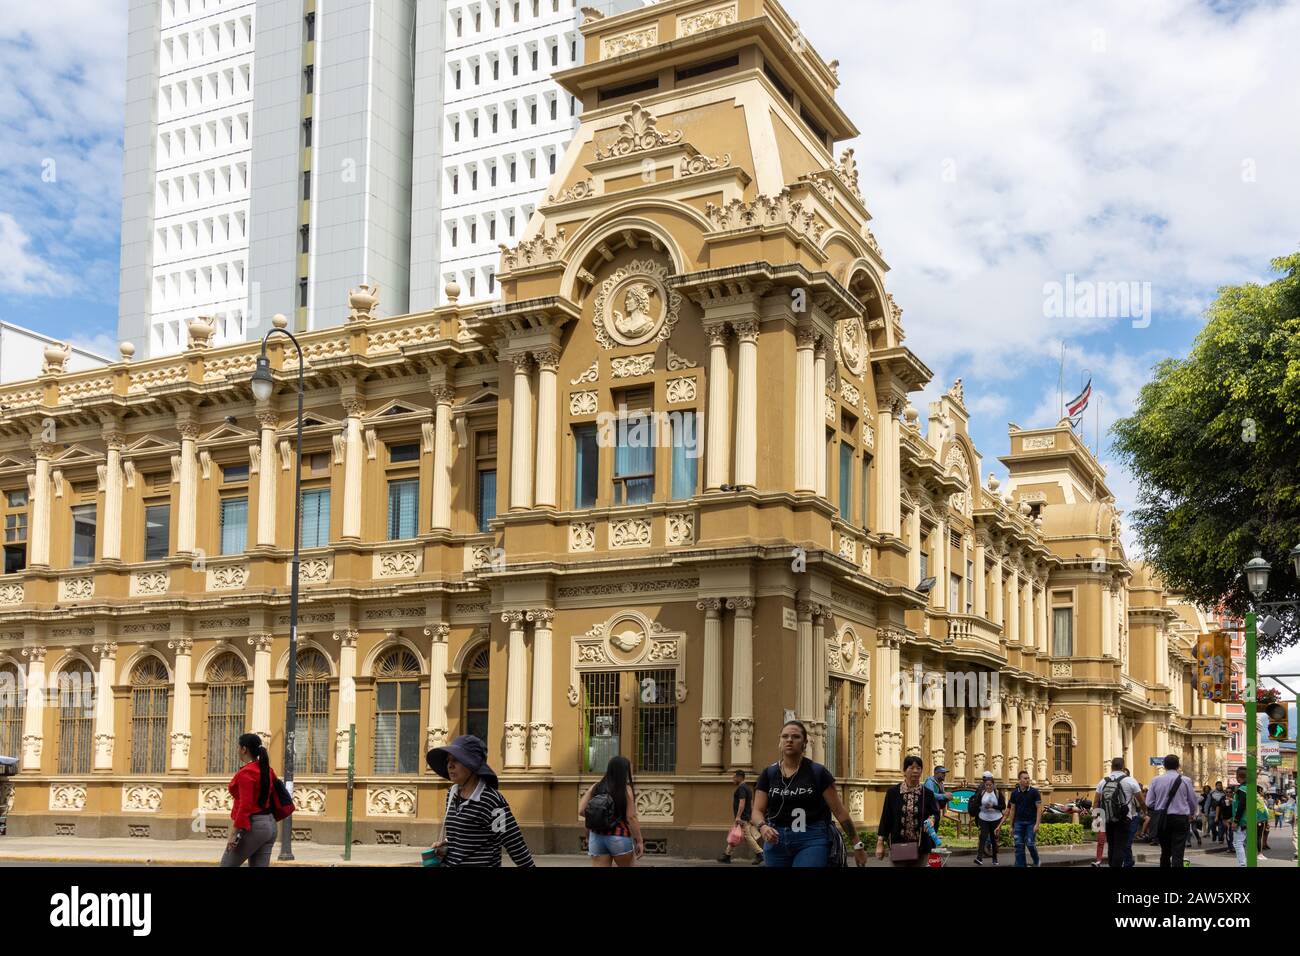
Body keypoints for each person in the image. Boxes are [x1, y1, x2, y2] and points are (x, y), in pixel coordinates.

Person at [752, 720, 866, 867]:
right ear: (779, 742)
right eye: (785, 736)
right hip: (776, 840)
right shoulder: (769, 773)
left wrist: (857, 845)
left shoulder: (817, 772)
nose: (789, 740)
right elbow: (757, 810)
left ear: (804, 743)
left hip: (811, 839)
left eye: (796, 737)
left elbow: (839, 811)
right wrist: (762, 827)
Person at [426, 734, 535, 867]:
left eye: (456, 760)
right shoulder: (452, 794)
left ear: (472, 765)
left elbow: (514, 843)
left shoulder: (490, 800)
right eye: (448, 760)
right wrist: (444, 849)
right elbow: (464, 838)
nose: (450, 765)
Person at [221, 732, 285, 867]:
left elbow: (245, 806)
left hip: (254, 826)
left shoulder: (246, 773)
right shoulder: (267, 770)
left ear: (244, 749)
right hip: (270, 825)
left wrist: (234, 833)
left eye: (238, 747)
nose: (237, 750)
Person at [579, 755, 645, 866]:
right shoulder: (625, 789)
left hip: (597, 837)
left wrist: (600, 818)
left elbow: (581, 810)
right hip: (619, 836)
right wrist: (639, 841)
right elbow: (631, 817)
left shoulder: (596, 787)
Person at [876, 755, 941, 867]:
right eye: (911, 768)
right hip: (898, 846)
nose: (915, 771)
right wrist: (880, 842)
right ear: (904, 771)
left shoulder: (927, 794)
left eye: (918, 768)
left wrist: (932, 819)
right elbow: (886, 818)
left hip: (921, 847)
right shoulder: (893, 793)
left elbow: (935, 813)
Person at [1145, 754, 1197, 868]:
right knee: (1178, 851)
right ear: (1178, 766)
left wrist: (1159, 806)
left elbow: (1149, 802)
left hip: (1162, 818)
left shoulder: (1156, 780)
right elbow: (1192, 801)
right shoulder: (1186, 780)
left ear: (1164, 766)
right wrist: (1192, 814)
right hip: (1180, 818)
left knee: (1165, 851)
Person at [1096, 757, 1144, 868]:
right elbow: (1141, 801)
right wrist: (1145, 811)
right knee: (1120, 845)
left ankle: (1112, 865)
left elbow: (1096, 802)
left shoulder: (1103, 781)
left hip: (1107, 818)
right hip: (1124, 818)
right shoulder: (1130, 780)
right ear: (1123, 767)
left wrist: (1096, 821)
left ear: (1112, 767)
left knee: (1111, 845)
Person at [718, 769, 763, 864]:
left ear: (739, 777)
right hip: (746, 816)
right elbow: (751, 803)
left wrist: (738, 817)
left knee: (747, 836)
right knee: (735, 834)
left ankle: (760, 854)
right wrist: (751, 816)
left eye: (734, 777)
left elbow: (742, 803)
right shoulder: (748, 788)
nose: (732, 779)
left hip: (742, 818)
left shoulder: (741, 788)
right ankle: (727, 855)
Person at [1005, 769, 1042, 867]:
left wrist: (1037, 824)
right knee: (1019, 846)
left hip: (1031, 823)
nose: (1027, 780)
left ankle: (1036, 860)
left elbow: (1039, 809)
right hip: (1018, 823)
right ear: (1019, 780)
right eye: (1025, 778)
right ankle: (1021, 865)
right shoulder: (1014, 793)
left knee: (1030, 844)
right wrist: (1011, 826)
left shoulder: (1034, 792)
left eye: (1028, 778)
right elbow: (1012, 810)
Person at [971, 771, 1005, 866]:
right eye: (986, 785)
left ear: (993, 785)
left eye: (990, 785)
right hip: (983, 818)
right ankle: (979, 858)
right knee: (983, 837)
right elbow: (977, 804)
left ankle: (995, 858)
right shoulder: (982, 793)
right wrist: (981, 807)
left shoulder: (998, 793)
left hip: (995, 819)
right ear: (984, 785)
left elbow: (1003, 806)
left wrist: (993, 806)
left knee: (993, 839)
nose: (988, 787)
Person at [1230, 766, 1249, 866]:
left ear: (1238, 776)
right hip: (1248, 819)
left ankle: (1242, 864)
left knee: (1237, 843)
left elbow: (1241, 806)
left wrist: (1236, 821)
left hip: (1242, 821)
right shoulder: (1249, 788)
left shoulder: (1242, 789)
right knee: (1242, 842)